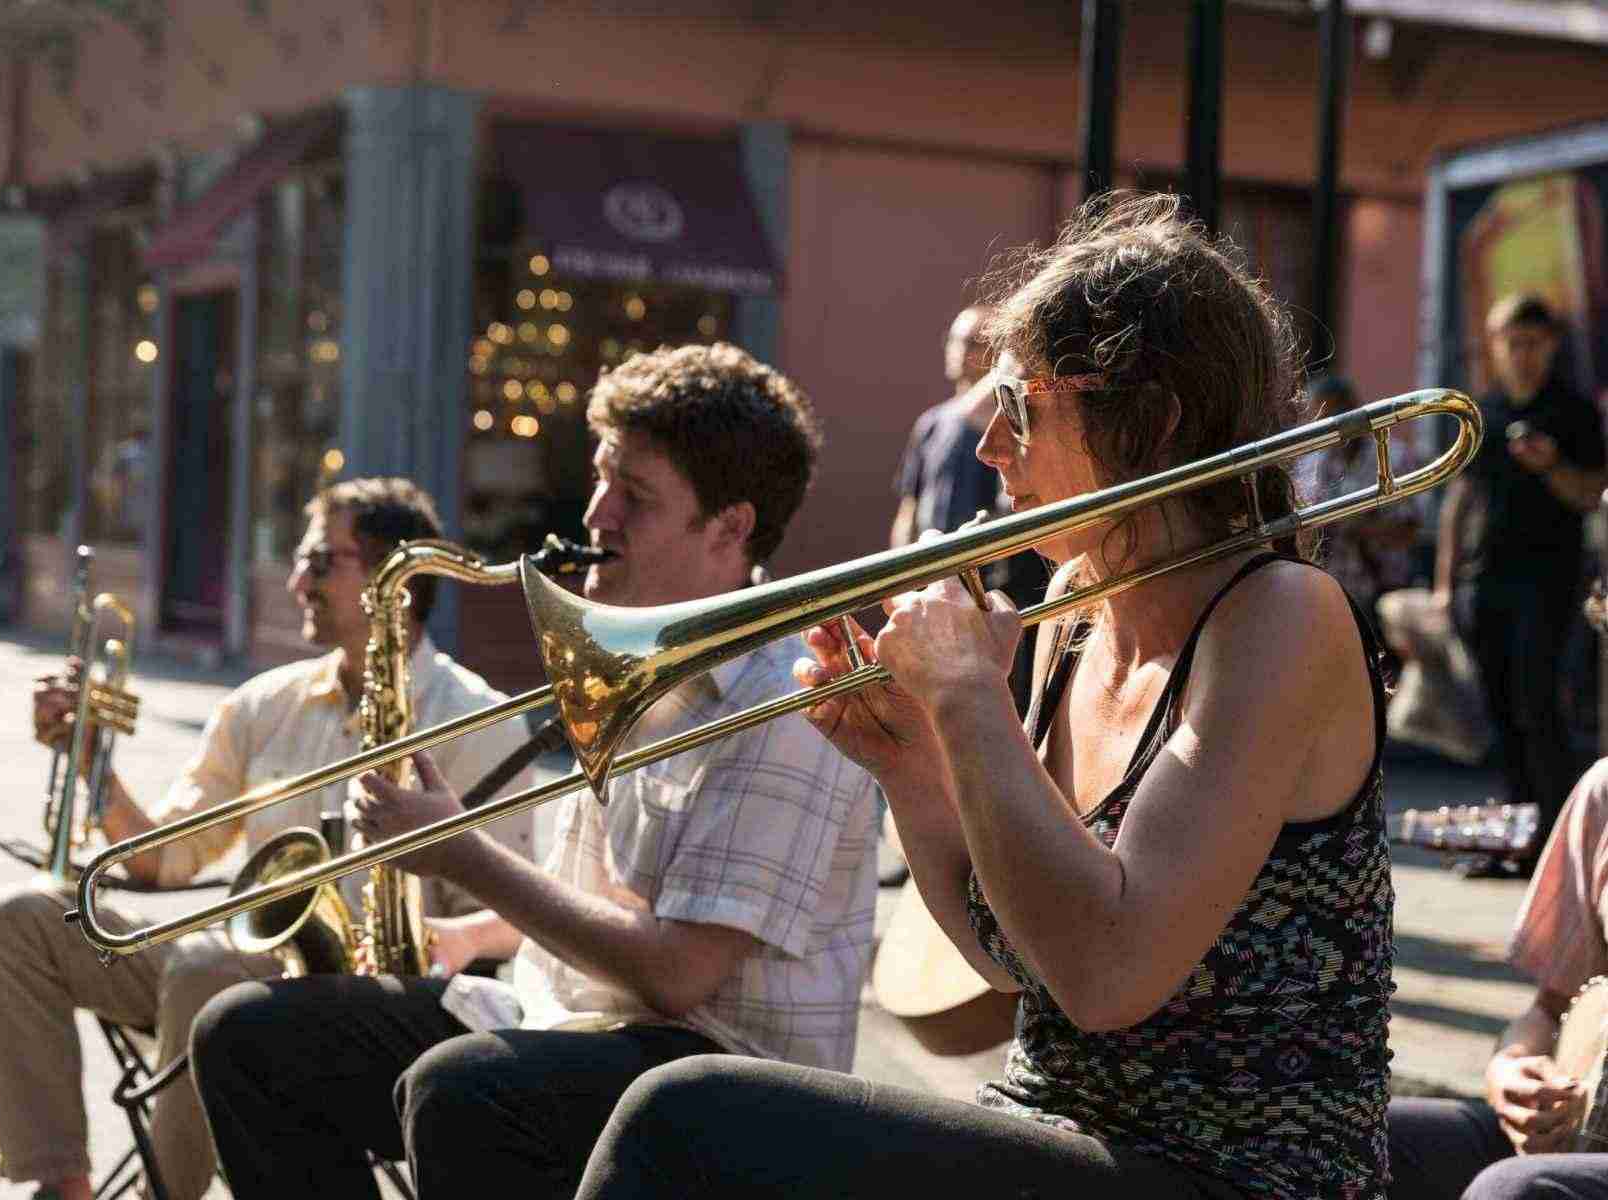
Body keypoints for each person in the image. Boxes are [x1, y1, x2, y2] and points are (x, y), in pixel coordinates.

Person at [573, 192, 1394, 1200]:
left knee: (684, 1115)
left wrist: (969, 702)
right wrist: (914, 766)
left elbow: (1106, 975)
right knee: (494, 1099)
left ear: (1154, 420)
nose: (988, 451)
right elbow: (1015, 963)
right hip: (1061, 1132)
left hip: (1237, 1175)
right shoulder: (1071, 607)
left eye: (1018, 411)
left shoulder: (1283, 616)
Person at [189, 343, 880, 1200]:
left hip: (725, 1085)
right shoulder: (634, 657)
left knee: (464, 1090)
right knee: (248, 1036)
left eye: (636, 495)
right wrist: (464, 937)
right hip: (576, 1021)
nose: (597, 513)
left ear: (730, 527)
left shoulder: (788, 699)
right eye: (600, 479)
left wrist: (460, 855)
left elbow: (677, 975)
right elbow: (602, 906)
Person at [0, 477, 539, 1200]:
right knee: (16, 921)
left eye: (321, 560)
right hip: (222, 970)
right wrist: (91, 760)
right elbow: (162, 858)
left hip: (370, 1007)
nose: (297, 577)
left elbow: (516, 918)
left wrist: (448, 936)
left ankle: (160, 1195)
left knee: (208, 972)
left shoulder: (475, 719)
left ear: (392, 581)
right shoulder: (264, 704)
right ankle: (65, 1185)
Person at [1388, 576, 1608, 1199]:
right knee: (1361, 1140)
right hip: (1585, 1131)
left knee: (1517, 1189)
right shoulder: (1603, 793)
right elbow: (1548, 1010)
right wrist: (1511, 1072)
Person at [1433, 294, 1606, 873]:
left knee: (1538, 708)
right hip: (1486, 581)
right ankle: (1511, 839)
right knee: (1499, 713)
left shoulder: (1573, 410)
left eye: (1534, 342)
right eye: (1513, 342)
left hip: (1550, 582)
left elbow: (1589, 495)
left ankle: (1553, 851)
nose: (1523, 354)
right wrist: (1443, 583)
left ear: (1550, 345)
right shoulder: (1486, 409)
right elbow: (1461, 498)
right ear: (1495, 343)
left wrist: (1550, 465)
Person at [893, 305, 1047, 710]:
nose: (964, 352)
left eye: (977, 344)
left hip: (989, 588)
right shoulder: (930, 423)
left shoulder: (1000, 423)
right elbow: (910, 506)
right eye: (958, 341)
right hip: (932, 576)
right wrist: (898, 575)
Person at [1308, 374, 1419, 624]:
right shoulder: (1314, 464)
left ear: (1353, 410)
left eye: (1335, 414)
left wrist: (1358, 527)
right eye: (1320, 418)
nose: (1327, 426)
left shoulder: (1394, 458)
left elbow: (1410, 530)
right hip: (1332, 592)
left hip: (1384, 593)